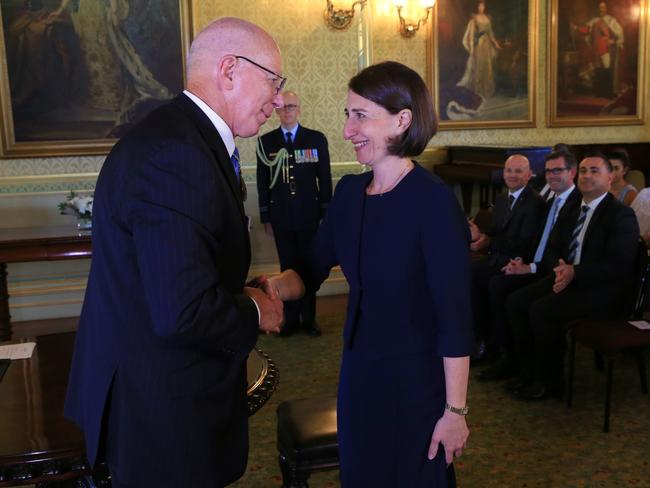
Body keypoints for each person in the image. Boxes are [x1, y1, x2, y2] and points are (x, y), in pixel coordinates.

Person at [64, 17, 287, 488]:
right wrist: (255, 309)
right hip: (160, 414)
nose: (279, 98)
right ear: (229, 70)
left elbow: (172, 271)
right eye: (273, 81)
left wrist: (234, 287)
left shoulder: (180, 138)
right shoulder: (176, 154)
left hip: (154, 393)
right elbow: (182, 311)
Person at [281, 61, 473, 486]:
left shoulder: (434, 204)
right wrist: (265, 292)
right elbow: (308, 271)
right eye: (348, 116)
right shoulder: (349, 195)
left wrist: (455, 412)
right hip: (359, 375)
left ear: (402, 120)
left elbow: (455, 319)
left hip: (417, 382)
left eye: (360, 116)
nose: (348, 130)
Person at [505, 153, 639, 401]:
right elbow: (554, 245)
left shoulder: (620, 215)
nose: (587, 176)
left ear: (610, 178)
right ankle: (527, 372)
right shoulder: (574, 208)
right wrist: (560, 268)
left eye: (595, 171)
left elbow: (619, 265)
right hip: (567, 278)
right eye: (584, 170)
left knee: (541, 310)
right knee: (516, 301)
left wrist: (575, 272)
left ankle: (550, 382)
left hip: (602, 291)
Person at [478, 149, 581, 381]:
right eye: (549, 171)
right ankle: (507, 357)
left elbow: (563, 251)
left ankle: (524, 367)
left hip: (557, 274)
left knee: (507, 292)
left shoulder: (575, 205)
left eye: (558, 170)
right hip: (538, 266)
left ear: (572, 172)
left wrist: (530, 267)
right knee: (490, 281)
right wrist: (523, 263)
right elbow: (541, 242)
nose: (552, 176)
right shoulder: (554, 201)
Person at [256, 90, 332, 336]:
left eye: (292, 106)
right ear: (276, 111)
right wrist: (266, 216)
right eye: (283, 107)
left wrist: (325, 214)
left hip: (309, 216)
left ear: (299, 109)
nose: (287, 111)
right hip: (281, 217)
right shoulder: (266, 142)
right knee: (287, 266)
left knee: (308, 267)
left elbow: (325, 179)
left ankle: (309, 319)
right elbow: (262, 182)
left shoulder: (315, 139)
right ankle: (290, 319)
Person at [468, 154, 545, 361]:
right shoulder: (502, 198)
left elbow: (524, 245)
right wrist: (481, 237)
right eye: (509, 170)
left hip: (517, 261)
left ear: (529, 175)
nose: (512, 175)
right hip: (498, 257)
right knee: (468, 273)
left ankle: (496, 347)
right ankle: (480, 339)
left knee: (491, 282)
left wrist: (489, 242)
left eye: (518, 171)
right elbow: (497, 234)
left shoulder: (535, 203)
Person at [571, 1, 624, 99]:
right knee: (598, 70)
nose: (601, 9)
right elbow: (586, 30)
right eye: (600, 7)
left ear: (606, 8)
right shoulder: (594, 21)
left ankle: (609, 93)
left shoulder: (610, 20)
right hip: (596, 51)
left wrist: (613, 41)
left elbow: (619, 33)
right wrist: (576, 28)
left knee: (607, 70)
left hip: (606, 50)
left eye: (603, 7)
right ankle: (600, 92)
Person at [457, 0, 501, 100]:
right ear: (477, 7)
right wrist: (472, 48)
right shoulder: (474, 19)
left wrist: (495, 43)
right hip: (479, 46)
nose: (481, 8)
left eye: (483, 6)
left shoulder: (488, 19)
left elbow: (491, 33)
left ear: (484, 7)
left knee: (488, 67)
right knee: (479, 66)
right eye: (480, 6)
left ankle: (487, 90)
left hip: (487, 47)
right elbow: (472, 35)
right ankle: (478, 91)